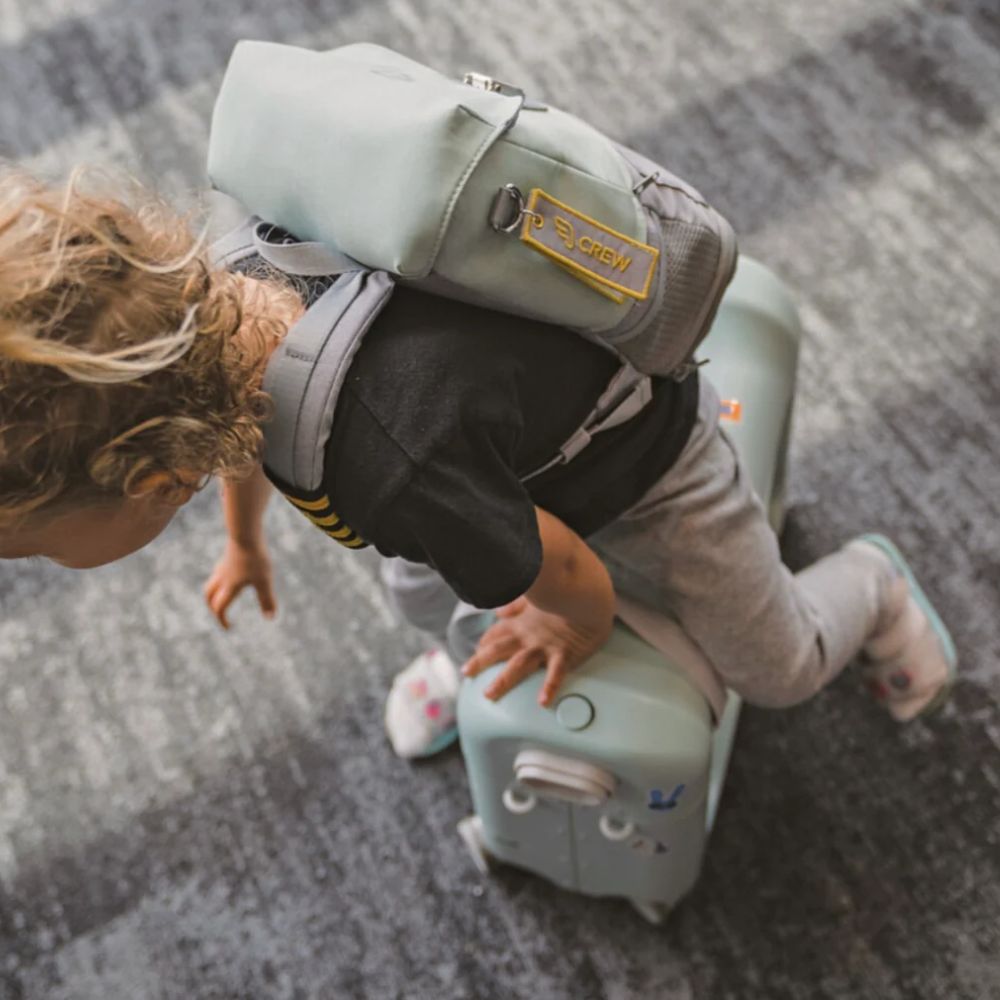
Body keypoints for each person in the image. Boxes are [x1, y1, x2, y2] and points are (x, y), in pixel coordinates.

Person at [0, 168, 957, 761]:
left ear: (153, 479)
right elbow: (234, 437)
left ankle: (873, 585)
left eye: (32, 550)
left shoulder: (390, 469)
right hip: (486, 452)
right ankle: (465, 654)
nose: (31, 562)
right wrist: (245, 544)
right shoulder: (221, 298)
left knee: (779, 667)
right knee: (422, 588)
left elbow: (569, 572)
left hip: (639, 462)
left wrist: (564, 623)